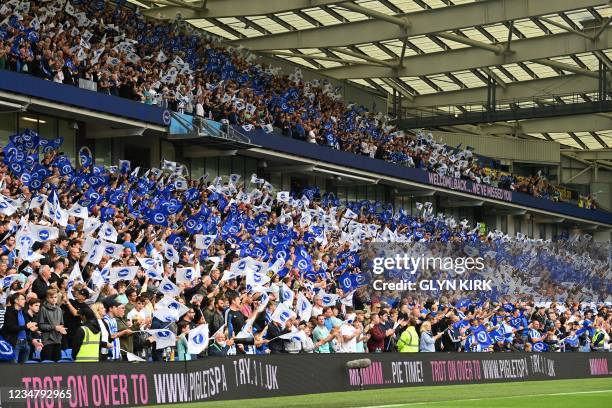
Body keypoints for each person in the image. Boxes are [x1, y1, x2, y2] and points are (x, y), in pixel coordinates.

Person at [0, 293, 37, 362]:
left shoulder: (22, 312)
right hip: (15, 343)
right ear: (16, 301)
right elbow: (11, 328)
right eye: (22, 299)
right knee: (14, 368)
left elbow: (25, 326)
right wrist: (26, 326)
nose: (25, 301)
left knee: (24, 369)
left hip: (25, 343)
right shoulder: (9, 312)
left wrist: (30, 328)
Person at [37, 289, 66, 361]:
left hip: (58, 340)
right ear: (47, 298)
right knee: (47, 365)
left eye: (55, 297)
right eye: (51, 297)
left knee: (57, 365)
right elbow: (40, 326)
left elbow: (61, 324)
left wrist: (62, 329)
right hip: (47, 341)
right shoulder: (43, 309)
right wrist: (55, 327)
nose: (54, 299)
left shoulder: (59, 309)